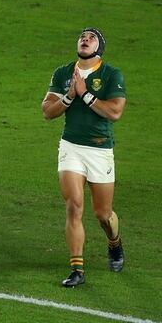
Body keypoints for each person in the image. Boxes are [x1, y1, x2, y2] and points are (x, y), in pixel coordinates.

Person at [42, 28, 127, 287]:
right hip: (71, 147)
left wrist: (86, 95)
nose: (85, 39)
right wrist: (70, 96)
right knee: (73, 205)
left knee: (103, 214)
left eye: (92, 37)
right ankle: (77, 268)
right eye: (83, 36)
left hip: (100, 150)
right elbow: (47, 111)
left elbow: (114, 112)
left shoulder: (111, 74)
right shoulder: (63, 72)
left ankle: (114, 242)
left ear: (99, 47)